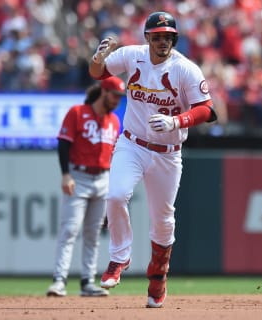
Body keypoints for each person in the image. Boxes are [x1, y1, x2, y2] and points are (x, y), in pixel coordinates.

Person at [88, 11, 217, 308]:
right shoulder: (132, 56)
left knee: (162, 220)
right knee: (117, 194)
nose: (162, 41)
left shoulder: (185, 69)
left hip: (167, 153)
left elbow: (208, 110)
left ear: (174, 39)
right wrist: (97, 59)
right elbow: (97, 74)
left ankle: (158, 276)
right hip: (132, 143)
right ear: (147, 38)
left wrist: (177, 122)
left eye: (168, 37)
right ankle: (119, 258)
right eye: (157, 36)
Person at [46, 76, 126, 297]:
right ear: (104, 92)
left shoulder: (114, 121)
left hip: (103, 179)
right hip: (78, 176)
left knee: (92, 234)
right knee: (69, 230)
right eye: (115, 95)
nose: (117, 100)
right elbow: (63, 144)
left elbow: (114, 156)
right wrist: (65, 175)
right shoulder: (78, 112)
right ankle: (59, 280)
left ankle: (87, 282)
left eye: (120, 97)